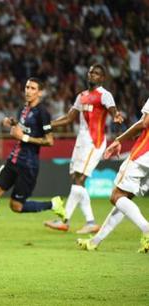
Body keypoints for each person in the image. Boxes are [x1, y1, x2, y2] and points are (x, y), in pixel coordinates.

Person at [0, 77, 65, 241]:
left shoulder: (43, 113)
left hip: (29, 165)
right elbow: (23, 126)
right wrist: (12, 122)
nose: (28, 91)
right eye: (27, 87)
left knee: (16, 206)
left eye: (33, 88)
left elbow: (49, 141)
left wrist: (24, 138)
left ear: (40, 92)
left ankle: (53, 204)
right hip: (14, 159)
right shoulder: (23, 108)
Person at [44, 64, 123, 234]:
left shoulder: (105, 95)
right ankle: (91, 222)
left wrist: (116, 116)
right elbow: (69, 118)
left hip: (94, 142)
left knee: (79, 179)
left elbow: (113, 111)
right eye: (90, 72)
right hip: (81, 141)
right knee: (76, 178)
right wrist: (49, 125)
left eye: (96, 73)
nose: (92, 75)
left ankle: (64, 220)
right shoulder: (82, 96)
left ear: (102, 78)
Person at [77, 97, 149, 253]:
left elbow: (145, 122)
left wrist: (118, 139)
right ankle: (95, 241)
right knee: (123, 199)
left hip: (144, 154)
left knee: (116, 196)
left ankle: (147, 230)